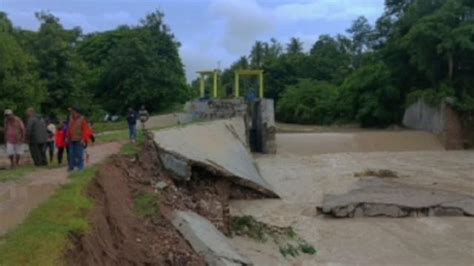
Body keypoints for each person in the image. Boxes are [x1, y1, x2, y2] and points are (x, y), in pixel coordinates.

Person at [67, 107, 90, 171]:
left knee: (79, 153)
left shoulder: (82, 119)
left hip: (79, 139)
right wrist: (67, 137)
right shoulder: (71, 119)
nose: (71, 112)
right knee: (71, 154)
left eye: (72, 111)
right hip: (71, 139)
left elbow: (85, 130)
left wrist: (83, 139)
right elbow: (69, 129)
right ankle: (72, 166)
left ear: (76, 112)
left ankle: (80, 167)